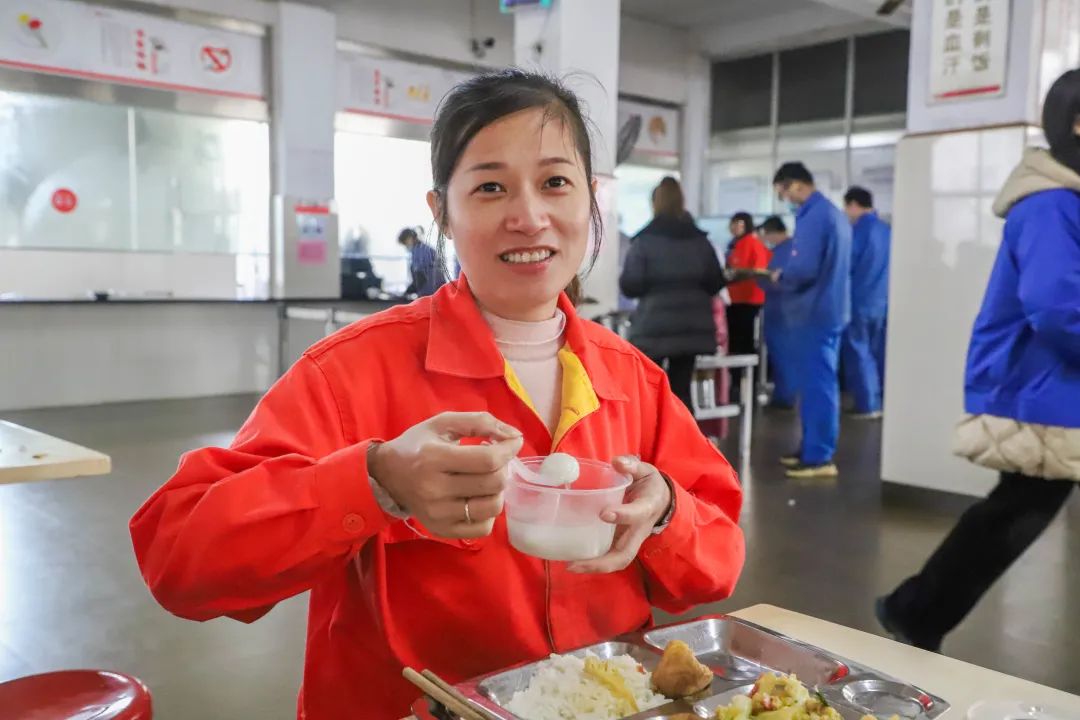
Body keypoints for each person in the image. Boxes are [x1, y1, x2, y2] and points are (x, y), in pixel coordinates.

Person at [130, 70, 745, 720]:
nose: (528, 217)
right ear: (441, 212)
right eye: (490, 187)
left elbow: (718, 564)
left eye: (555, 183)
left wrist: (666, 511)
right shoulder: (351, 373)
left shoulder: (634, 382)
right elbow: (179, 558)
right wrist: (373, 482)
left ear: (590, 199)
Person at [877, 69, 1080, 653]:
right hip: (1038, 381)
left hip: (1050, 381)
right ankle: (915, 610)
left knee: (1017, 507)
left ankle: (916, 609)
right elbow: (1057, 306)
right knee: (1018, 509)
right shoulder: (1051, 204)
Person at [771, 162, 851, 478]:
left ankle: (819, 456)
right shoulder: (832, 213)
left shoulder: (814, 217)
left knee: (818, 386)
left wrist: (781, 275)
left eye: (783, 193)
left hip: (815, 313)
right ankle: (811, 447)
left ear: (796, 185)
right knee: (816, 384)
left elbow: (804, 268)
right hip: (828, 309)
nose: (785, 200)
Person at [620, 176, 725, 410]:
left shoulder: (644, 241)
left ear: (654, 203)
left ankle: (652, 434)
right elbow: (715, 283)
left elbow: (630, 286)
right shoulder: (700, 241)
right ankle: (683, 433)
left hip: (653, 328)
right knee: (682, 393)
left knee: (649, 394)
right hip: (691, 330)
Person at [841, 186, 890, 420]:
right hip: (883, 302)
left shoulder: (858, 231)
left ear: (853, 205)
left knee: (859, 351)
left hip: (859, 300)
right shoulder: (887, 230)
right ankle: (880, 399)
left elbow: (846, 264)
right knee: (878, 352)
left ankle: (867, 403)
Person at [724, 211, 771, 400]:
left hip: (749, 301)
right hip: (734, 300)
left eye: (740, 224)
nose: (736, 227)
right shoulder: (734, 245)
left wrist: (737, 274)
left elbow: (759, 270)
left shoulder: (753, 243)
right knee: (735, 342)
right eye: (734, 223)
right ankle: (736, 383)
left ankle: (747, 385)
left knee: (745, 343)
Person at [758, 215, 796, 410]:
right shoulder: (787, 250)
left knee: (783, 355)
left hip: (782, 311)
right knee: (782, 355)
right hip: (781, 310)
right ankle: (784, 394)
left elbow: (779, 280)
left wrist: (762, 279)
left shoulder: (786, 252)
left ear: (773, 233)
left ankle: (785, 397)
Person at [398, 226, 444, 296]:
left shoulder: (419, 252)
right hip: (438, 291)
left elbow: (420, 277)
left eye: (405, 243)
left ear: (409, 238)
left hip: (429, 293)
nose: (405, 246)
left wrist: (408, 291)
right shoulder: (426, 249)